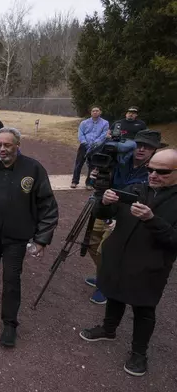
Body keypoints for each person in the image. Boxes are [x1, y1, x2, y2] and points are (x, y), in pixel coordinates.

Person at [79, 149, 177, 377]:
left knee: (143, 310)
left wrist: (151, 220)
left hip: (150, 266)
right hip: (118, 258)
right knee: (113, 294)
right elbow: (103, 214)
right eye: (150, 169)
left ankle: (139, 353)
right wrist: (104, 202)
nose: (153, 175)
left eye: (161, 171)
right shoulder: (136, 189)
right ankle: (108, 329)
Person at [0, 127, 58, 347]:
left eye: (7, 145)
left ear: (17, 145)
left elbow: (48, 206)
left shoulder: (33, 169)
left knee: (11, 279)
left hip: (16, 238)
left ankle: (9, 323)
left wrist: (41, 239)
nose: (1, 149)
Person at [84, 130, 163, 305]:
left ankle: (106, 286)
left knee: (105, 251)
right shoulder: (119, 159)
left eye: (148, 147)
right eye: (139, 145)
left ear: (154, 150)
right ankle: (103, 276)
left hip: (127, 215)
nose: (142, 149)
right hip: (105, 206)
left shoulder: (154, 171)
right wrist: (95, 178)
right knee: (91, 243)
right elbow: (94, 167)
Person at [71, 106, 109, 189]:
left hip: (96, 147)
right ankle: (74, 181)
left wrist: (95, 144)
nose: (95, 112)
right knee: (79, 163)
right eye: (93, 111)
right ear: (91, 113)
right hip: (84, 145)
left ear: (100, 112)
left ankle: (89, 183)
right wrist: (85, 143)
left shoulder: (105, 123)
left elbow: (103, 135)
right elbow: (80, 134)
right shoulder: (84, 123)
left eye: (97, 111)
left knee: (93, 165)